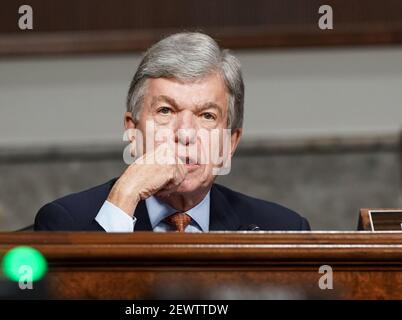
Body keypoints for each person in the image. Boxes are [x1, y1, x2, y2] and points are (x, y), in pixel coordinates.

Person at [34, 32, 310, 232]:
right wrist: (124, 200)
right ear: (132, 130)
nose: (185, 134)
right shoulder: (65, 223)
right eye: (166, 111)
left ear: (229, 143)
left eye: (207, 116)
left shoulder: (283, 228)